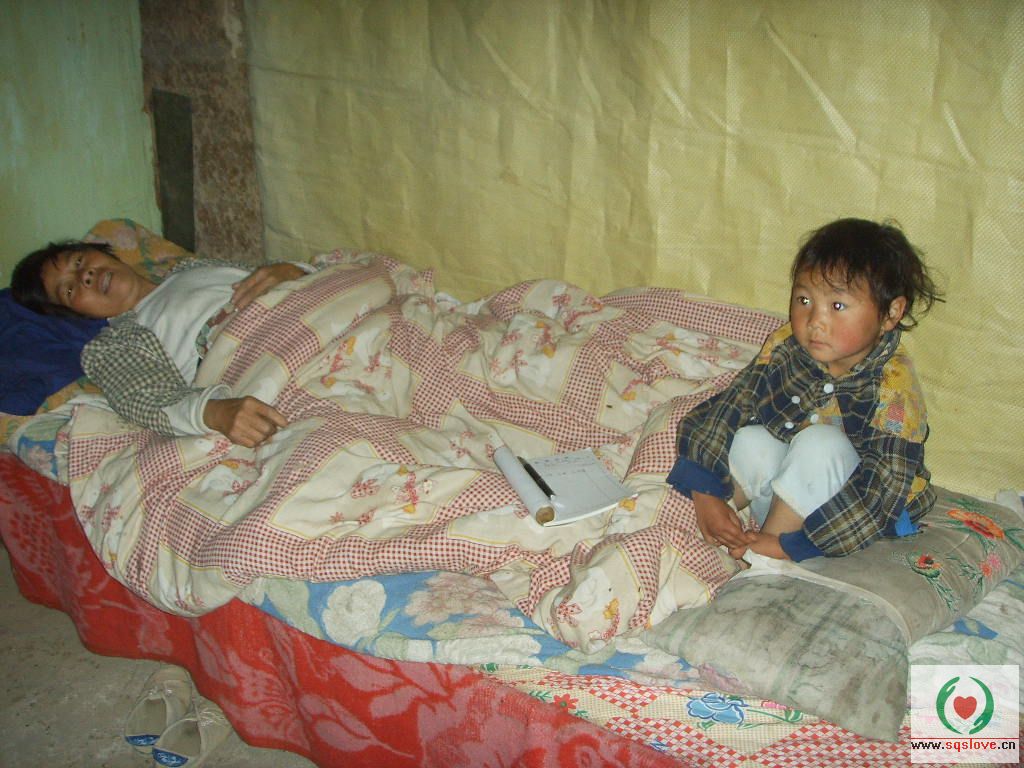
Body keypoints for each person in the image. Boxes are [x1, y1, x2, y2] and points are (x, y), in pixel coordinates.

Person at [667, 218, 943, 562]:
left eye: (837, 306)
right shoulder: (786, 345)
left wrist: (787, 545)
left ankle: (768, 555)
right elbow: (731, 406)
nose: (815, 321)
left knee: (821, 444)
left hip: (850, 522)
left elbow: (881, 492)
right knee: (753, 439)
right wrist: (705, 492)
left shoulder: (894, 389)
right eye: (804, 299)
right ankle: (715, 525)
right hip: (793, 493)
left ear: (890, 313)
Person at [10, 239, 312, 447]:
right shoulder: (114, 344)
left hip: (311, 310)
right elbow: (147, 399)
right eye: (70, 289)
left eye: (78, 261)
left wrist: (292, 272)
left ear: (102, 251)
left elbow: (282, 273)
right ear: (75, 314)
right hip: (270, 361)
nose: (84, 276)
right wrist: (216, 413)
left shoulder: (192, 267)